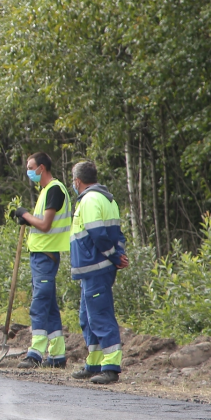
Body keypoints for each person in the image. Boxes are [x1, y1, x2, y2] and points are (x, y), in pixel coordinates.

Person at [67, 161, 129, 385]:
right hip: (91, 270)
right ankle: (93, 363)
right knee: (87, 317)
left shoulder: (90, 199)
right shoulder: (106, 199)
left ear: (77, 181)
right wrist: (119, 254)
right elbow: (118, 234)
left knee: (100, 315)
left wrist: (114, 256)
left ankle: (111, 367)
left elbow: (98, 234)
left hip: (96, 267)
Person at [13, 152, 72, 369]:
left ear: (41, 168)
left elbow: (46, 225)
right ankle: (57, 355)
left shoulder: (55, 189)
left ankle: (35, 352)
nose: (29, 172)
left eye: (30, 167)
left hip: (46, 256)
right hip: (41, 255)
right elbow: (42, 223)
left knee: (39, 304)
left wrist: (25, 215)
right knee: (49, 307)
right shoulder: (46, 190)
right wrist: (29, 220)